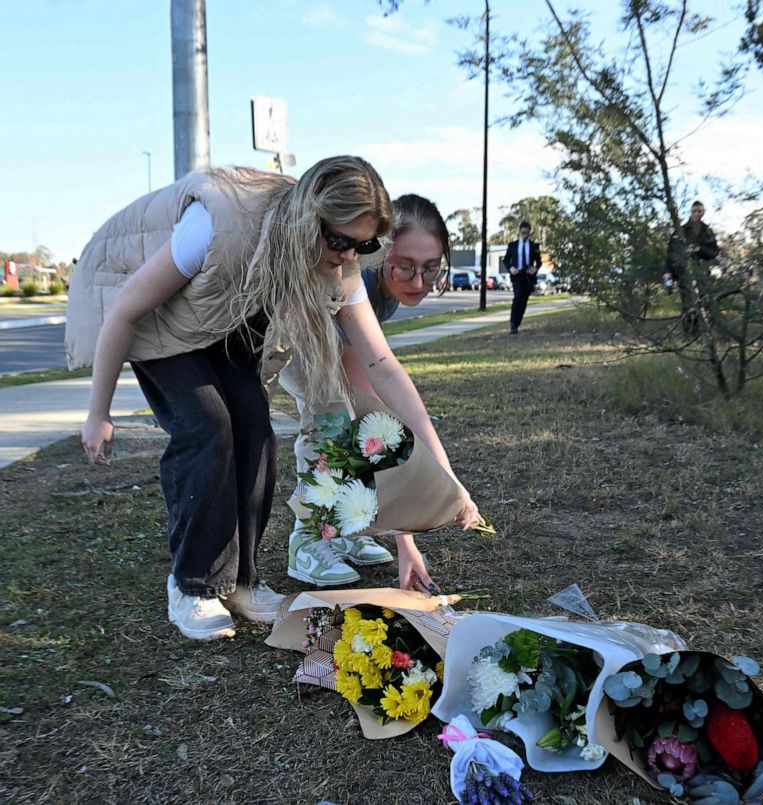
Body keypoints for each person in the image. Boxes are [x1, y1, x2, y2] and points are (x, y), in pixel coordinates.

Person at [66, 157, 480, 642]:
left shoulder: (338, 264)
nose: (348, 257)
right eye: (339, 242)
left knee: (255, 430)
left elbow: (383, 367)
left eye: (363, 245)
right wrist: (99, 412)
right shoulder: (219, 225)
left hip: (220, 316)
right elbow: (124, 310)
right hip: (152, 314)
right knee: (208, 425)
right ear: (308, 219)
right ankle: (193, 584)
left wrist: (448, 482)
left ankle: (240, 580)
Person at [281, 193, 452, 591]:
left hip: (321, 345)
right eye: (405, 267)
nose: (418, 282)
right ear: (379, 249)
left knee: (348, 427)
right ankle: (307, 541)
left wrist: (446, 477)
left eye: (431, 269)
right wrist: (405, 538)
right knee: (334, 428)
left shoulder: (385, 290)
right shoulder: (358, 281)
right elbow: (370, 415)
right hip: (289, 343)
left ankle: (344, 532)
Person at [663, 201, 720, 330]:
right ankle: (689, 332)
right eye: (694, 211)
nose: (697, 214)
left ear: (703, 212)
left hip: (702, 274)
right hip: (683, 273)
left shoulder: (707, 231)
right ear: (691, 212)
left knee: (704, 302)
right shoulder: (680, 231)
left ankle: (704, 331)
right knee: (687, 304)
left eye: (699, 211)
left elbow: (714, 252)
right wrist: (667, 272)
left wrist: (699, 249)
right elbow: (670, 254)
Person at [503, 220, 542, 334]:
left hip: (528, 276)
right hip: (517, 275)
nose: (524, 235)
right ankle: (512, 323)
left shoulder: (534, 245)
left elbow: (539, 261)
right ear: (520, 231)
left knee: (524, 300)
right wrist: (511, 269)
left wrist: (535, 268)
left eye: (527, 233)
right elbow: (506, 260)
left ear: (529, 232)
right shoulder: (513, 245)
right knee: (518, 296)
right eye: (523, 232)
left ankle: (517, 323)